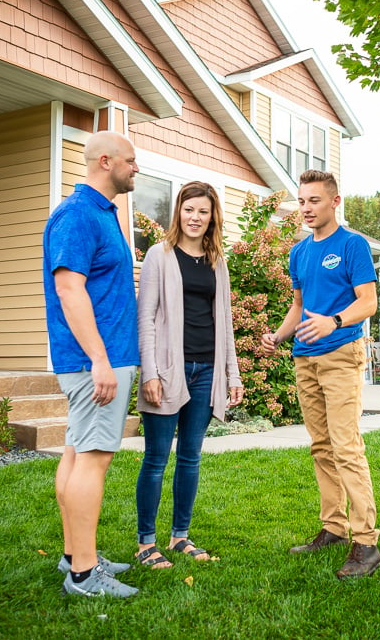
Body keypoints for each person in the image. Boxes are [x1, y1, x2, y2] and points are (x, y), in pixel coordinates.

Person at [260, 169, 380, 579]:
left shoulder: (352, 245)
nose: (306, 208)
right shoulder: (298, 252)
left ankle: (366, 542)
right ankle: (333, 528)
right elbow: (298, 305)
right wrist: (278, 336)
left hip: (341, 354)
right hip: (304, 357)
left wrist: (335, 320)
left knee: (346, 447)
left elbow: (368, 302)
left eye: (314, 200)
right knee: (321, 446)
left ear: (335, 201)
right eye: (302, 201)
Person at [42, 130, 141, 598]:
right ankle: (83, 574)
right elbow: (69, 288)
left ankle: (73, 553)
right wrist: (100, 359)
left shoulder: (103, 214)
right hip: (96, 361)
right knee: (94, 461)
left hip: (102, 357)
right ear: (106, 161)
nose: (136, 168)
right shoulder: (78, 214)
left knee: (77, 454)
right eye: (131, 161)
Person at [134, 181, 244, 570]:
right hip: (166, 370)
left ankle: (179, 536)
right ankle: (145, 542)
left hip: (206, 370)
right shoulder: (158, 256)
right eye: (189, 209)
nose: (195, 218)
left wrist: (232, 374)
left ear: (213, 217)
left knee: (190, 457)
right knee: (156, 458)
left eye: (203, 211)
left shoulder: (217, 260)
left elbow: (225, 323)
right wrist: (150, 371)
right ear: (178, 211)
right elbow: (145, 318)